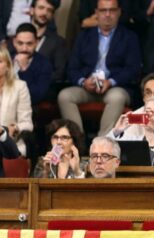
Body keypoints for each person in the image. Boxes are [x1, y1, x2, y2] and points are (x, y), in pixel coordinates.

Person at [58, 0, 141, 136]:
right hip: (87, 88)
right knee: (64, 96)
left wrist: (111, 82)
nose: (107, 15)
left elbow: (133, 69)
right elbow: (72, 69)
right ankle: (78, 141)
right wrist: (83, 82)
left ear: (119, 12)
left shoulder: (129, 37)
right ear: (96, 13)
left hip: (115, 87)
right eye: (103, 10)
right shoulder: (84, 36)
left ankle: (102, 143)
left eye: (112, 10)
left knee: (117, 97)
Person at [29, 0, 68, 98]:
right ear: (32, 10)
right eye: (41, 8)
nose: (44, 13)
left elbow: (59, 73)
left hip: (43, 91)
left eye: (49, 10)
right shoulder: (18, 38)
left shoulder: (58, 42)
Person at [10, 23, 53, 105]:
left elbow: (36, 96)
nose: (24, 48)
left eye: (29, 44)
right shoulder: (7, 58)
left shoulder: (44, 64)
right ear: (14, 42)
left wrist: (24, 69)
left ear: (36, 43)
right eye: (20, 43)